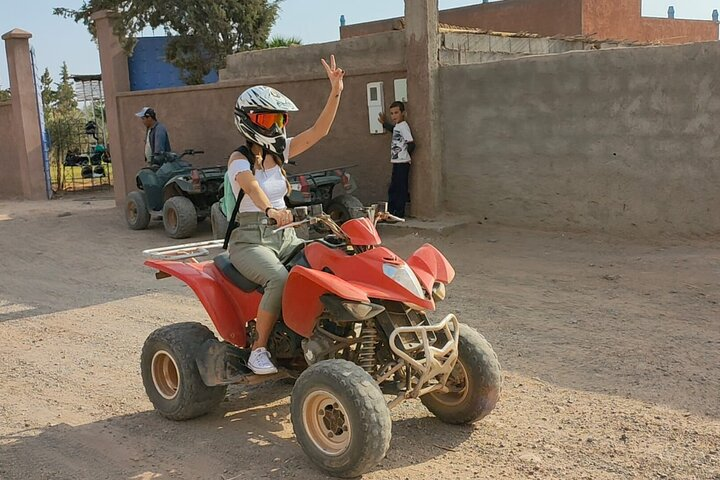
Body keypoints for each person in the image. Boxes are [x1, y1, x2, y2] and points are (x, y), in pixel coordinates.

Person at [227, 55, 345, 375]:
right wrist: (271, 210)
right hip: (250, 240)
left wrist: (336, 90)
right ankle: (259, 349)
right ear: (248, 120)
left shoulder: (280, 153)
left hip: (286, 235)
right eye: (268, 121)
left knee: (328, 259)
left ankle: (318, 337)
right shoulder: (238, 160)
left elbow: (319, 131)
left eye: (280, 120)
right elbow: (251, 187)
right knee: (279, 278)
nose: (277, 127)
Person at [378, 101, 415, 217]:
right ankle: (391, 211)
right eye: (392, 113)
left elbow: (412, 143)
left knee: (400, 188)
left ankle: (399, 213)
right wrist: (384, 124)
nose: (394, 116)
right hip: (396, 162)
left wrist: (404, 155)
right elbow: (393, 129)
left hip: (402, 163)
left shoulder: (404, 126)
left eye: (396, 113)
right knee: (393, 188)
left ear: (403, 113)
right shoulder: (398, 126)